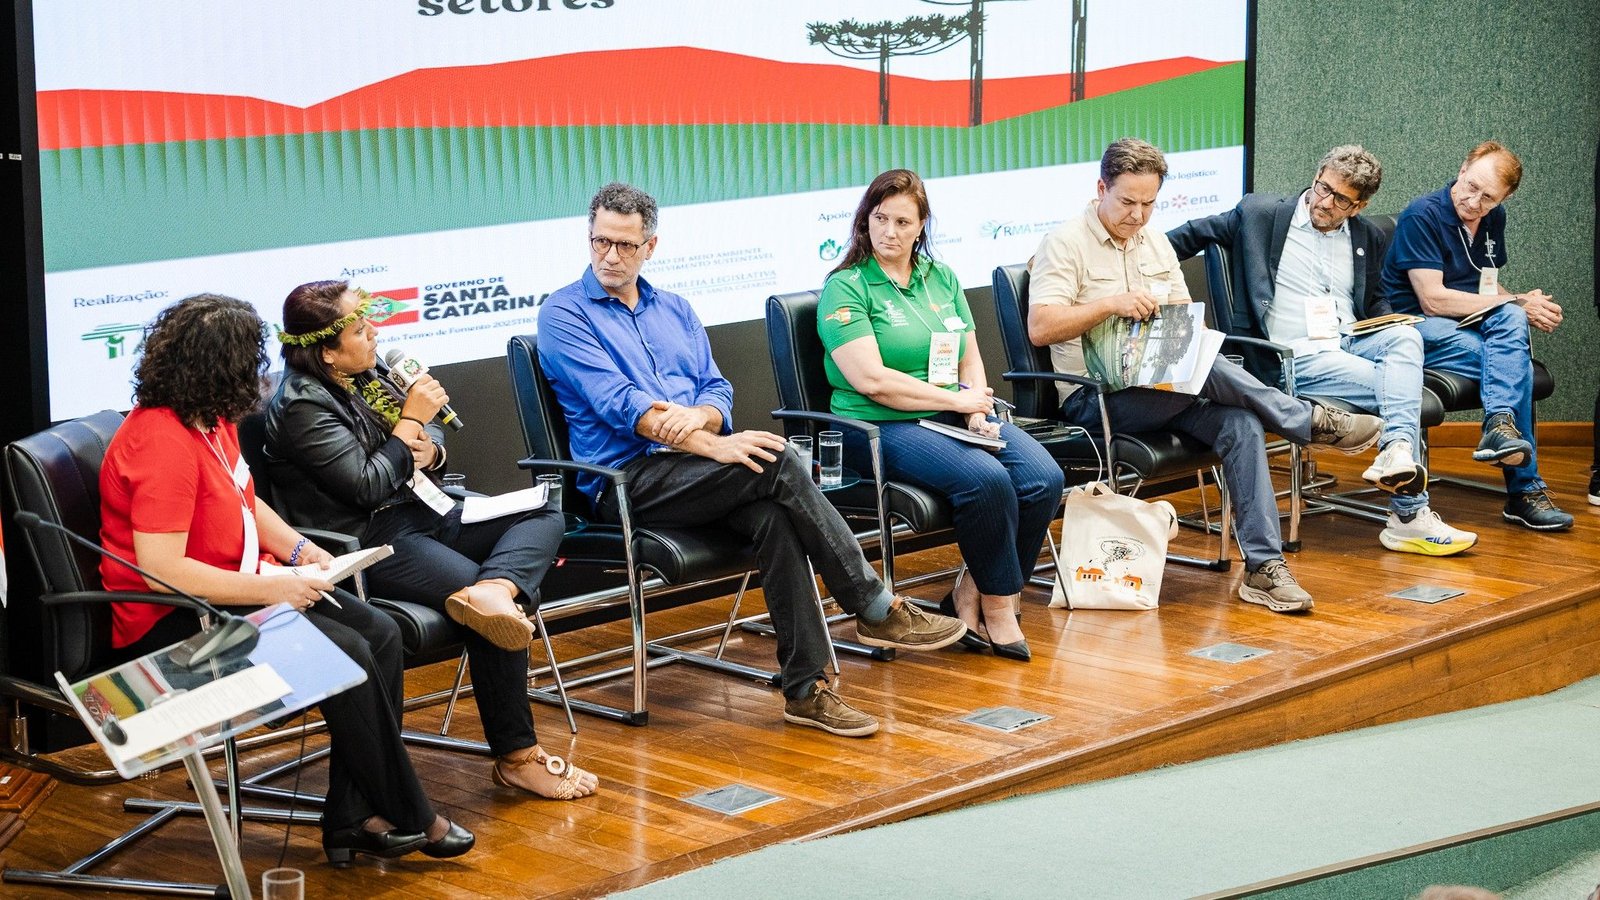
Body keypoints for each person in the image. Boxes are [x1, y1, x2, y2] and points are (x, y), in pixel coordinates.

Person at [537, 182, 968, 739]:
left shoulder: (675, 309)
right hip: (627, 480)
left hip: (694, 470)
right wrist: (714, 443)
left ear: (651, 245)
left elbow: (717, 390)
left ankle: (807, 690)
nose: (610, 256)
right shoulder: (564, 313)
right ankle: (873, 605)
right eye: (599, 242)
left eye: (624, 245)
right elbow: (624, 408)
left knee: (775, 517)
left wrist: (706, 422)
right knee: (778, 457)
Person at [99, 294, 475, 866]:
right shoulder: (161, 442)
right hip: (176, 624)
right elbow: (161, 572)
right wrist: (277, 588)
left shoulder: (210, 421)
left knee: (378, 633)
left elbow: (247, 506)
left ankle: (352, 816)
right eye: (250, 361)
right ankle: (413, 813)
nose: (261, 371)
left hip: (240, 590)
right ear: (221, 368)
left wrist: (304, 554)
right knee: (345, 650)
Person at [263, 280, 598, 802]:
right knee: (485, 606)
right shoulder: (300, 405)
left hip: (423, 509)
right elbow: (366, 484)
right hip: (368, 540)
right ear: (326, 351)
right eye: (359, 327)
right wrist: (412, 422)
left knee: (545, 509)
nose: (374, 333)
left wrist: (431, 450)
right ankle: (517, 757)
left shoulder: (366, 373)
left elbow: (426, 443)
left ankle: (498, 587)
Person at [1026, 138, 1383, 614]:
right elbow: (1041, 326)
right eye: (1127, 202)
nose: (1138, 215)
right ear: (1100, 188)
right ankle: (1306, 420)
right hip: (1099, 399)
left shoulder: (1154, 242)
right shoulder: (1065, 242)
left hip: (1165, 384)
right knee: (1207, 370)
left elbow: (1183, 320)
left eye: (1149, 203)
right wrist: (1110, 304)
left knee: (1240, 421)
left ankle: (1263, 568)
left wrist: (1181, 332)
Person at [1167, 145, 1476, 556]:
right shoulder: (1260, 213)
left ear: (1359, 205)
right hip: (1295, 356)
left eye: (1340, 199)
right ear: (1317, 175)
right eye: (1322, 188)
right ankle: (1408, 513)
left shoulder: (1365, 234)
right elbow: (1178, 240)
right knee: (1401, 387)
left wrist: (1389, 320)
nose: (1324, 202)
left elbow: (1376, 298)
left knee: (1407, 338)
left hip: (1352, 339)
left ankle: (1397, 453)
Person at [818, 169, 1065, 660]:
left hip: (952, 413)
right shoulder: (846, 287)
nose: (889, 231)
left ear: (921, 225)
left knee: (1044, 477)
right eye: (879, 218)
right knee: (987, 480)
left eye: (902, 221)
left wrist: (976, 402)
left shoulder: (941, 278)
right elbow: (872, 381)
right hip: (877, 426)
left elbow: (969, 355)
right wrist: (957, 401)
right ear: (864, 221)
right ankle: (1000, 606)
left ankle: (970, 588)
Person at [1379, 141, 1574, 531]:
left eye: (1488, 198)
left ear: (1506, 198)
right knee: (1513, 362)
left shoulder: (1493, 218)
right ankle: (1524, 491)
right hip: (1413, 324)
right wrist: (1517, 301)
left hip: (1466, 321)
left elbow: (1488, 289)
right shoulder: (1423, 214)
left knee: (1513, 323)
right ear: (1463, 167)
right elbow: (1432, 300)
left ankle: (1499, 426)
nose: (1474, 201)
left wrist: (1521, 304)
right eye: (1471, 186)